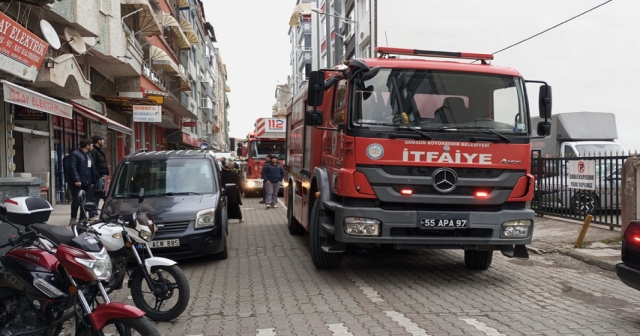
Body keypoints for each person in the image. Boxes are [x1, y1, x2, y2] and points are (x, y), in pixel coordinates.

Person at [69, 139, 98, 225]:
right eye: (91, 145)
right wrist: (77, 179)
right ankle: (73, 217)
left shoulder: (89, 156)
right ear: (87, 146)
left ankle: (82, 218)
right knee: (76, 201)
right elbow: (72, 167)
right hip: (77, 183)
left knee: (85, 201)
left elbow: (92, 169)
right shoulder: (75, 154)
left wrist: (93, 181)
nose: (92, 147)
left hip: (87, 183)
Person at [89, 134, 108, 220]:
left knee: (97, 195)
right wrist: (97, 176)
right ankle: (92, 214)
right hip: (97, 176)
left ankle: (95, 212)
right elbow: (94, 165)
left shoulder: (98, 150)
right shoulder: (94, 151)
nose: (103, 141)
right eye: (102, 139)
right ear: (98, 141)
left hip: (100, 176)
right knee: (94, 195)